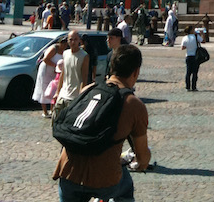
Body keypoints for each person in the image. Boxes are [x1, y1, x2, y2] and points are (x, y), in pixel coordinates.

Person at [52, 44, 150, 202]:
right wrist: (139, 163)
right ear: (136, 72)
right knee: (125, 189)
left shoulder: (87, 90)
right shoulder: (134, 105)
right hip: (104, 180)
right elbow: (143, 157)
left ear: (111, 67)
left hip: (68, 172)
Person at [54, 29, 89, 112]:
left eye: (75, 39)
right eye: (71, 39)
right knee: (56, 119)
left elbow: (84, 78)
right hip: (63, 94)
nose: (73, 42)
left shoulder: (84, 56)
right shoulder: (65, 53)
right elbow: (63, 74)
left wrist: (81, 96)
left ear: (79, 41)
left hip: (74, 96)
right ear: (67, 41)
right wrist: (57, 92)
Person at [32, 35, 67, 117]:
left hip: (56, 73)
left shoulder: (65, 51)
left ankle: (52, 109)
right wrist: (56, 66)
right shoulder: (54, 49)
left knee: (54, 89)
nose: (64, 46)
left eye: (66, 44)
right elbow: (45, 59)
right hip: (46, 70)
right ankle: (45, 111)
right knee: (44, 88)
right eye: (63, 44)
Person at [181, 24, 202, 91]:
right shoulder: (196, 36)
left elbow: (182, 48)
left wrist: (188, 46)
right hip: (195, 56)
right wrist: (201, 34)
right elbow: (203, 41)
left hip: (188, 56)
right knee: (195, 72)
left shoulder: (185, 38)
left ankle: (187, 86)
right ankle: (194, 86)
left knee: (188, 72)